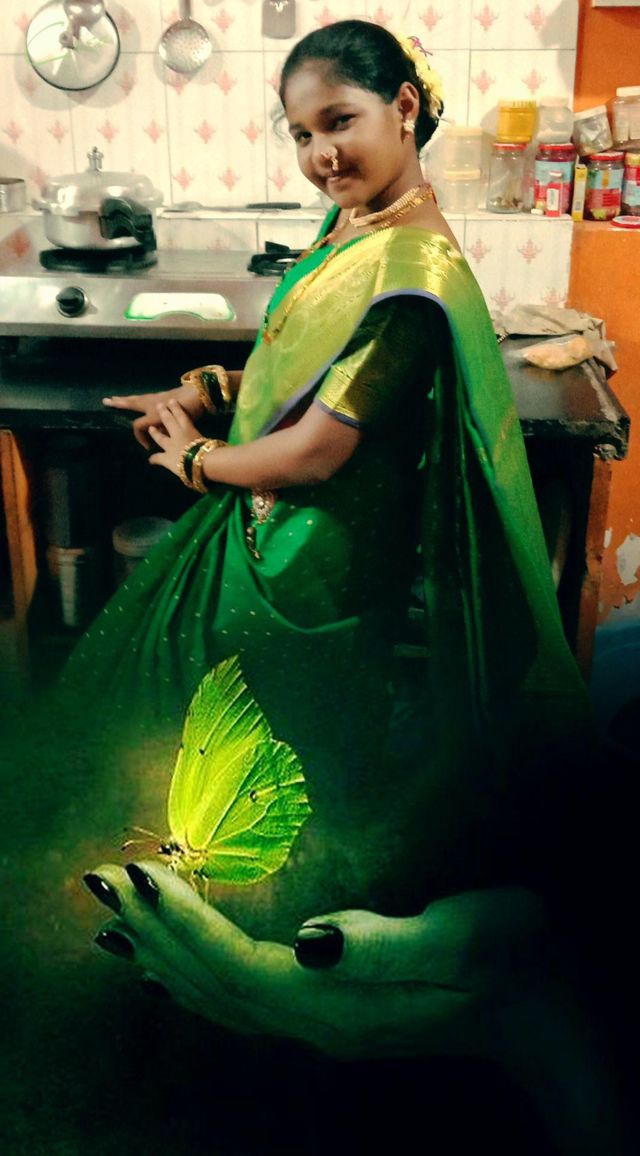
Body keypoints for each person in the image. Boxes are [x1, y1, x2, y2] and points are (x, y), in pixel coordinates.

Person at [65, 19, 631, 1152]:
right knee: (238, 729)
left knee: (287, 739)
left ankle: (278, 949)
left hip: (317, 565)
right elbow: (296, 370)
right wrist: (212, 386)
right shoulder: (355, 225)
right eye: (301, 133)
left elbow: (320, 450)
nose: (321, 153)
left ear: (405, 108)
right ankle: (243, 911)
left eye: (341, 122)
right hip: (277, 538)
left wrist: (194, 461)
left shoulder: (414, 270)